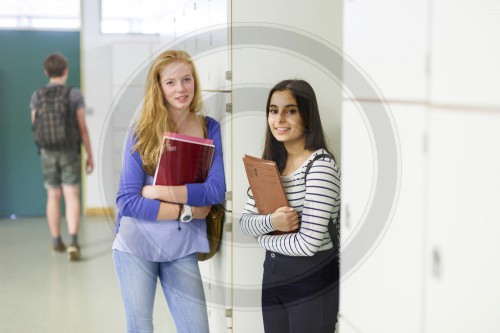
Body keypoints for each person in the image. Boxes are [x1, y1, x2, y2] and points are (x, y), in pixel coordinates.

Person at [113, 50, 226, 332]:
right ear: (159, 88)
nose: (181, 89)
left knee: (196, 328)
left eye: (186, 79)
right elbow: (127, 201)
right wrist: (185, 210)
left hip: (181, 245)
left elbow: (216, 190)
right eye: (171, 82)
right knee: (141, 328)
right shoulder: (142, 131)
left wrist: (157, 191)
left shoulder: (209, 128)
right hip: (136, 243)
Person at [240, 79, 341, 332]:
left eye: (291, 110)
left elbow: (308, 244)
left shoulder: (320, 166)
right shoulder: (268, 164)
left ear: (307, 115)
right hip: (272, 274)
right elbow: (245, 223)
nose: (280, 119)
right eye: (273, 111)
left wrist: (262, 237)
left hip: (312, 279)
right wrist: (273, 222)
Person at [30, 53, 94, 261]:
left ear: (46, 72)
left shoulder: (37, 96)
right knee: (71, 194)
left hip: (47, 151)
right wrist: (89, 154)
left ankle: (56, 242)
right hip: (69, 150)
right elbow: (82, 127)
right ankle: (73, 241)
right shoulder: (74, 94)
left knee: (53, 195)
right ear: (65, 71)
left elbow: (34, 125)